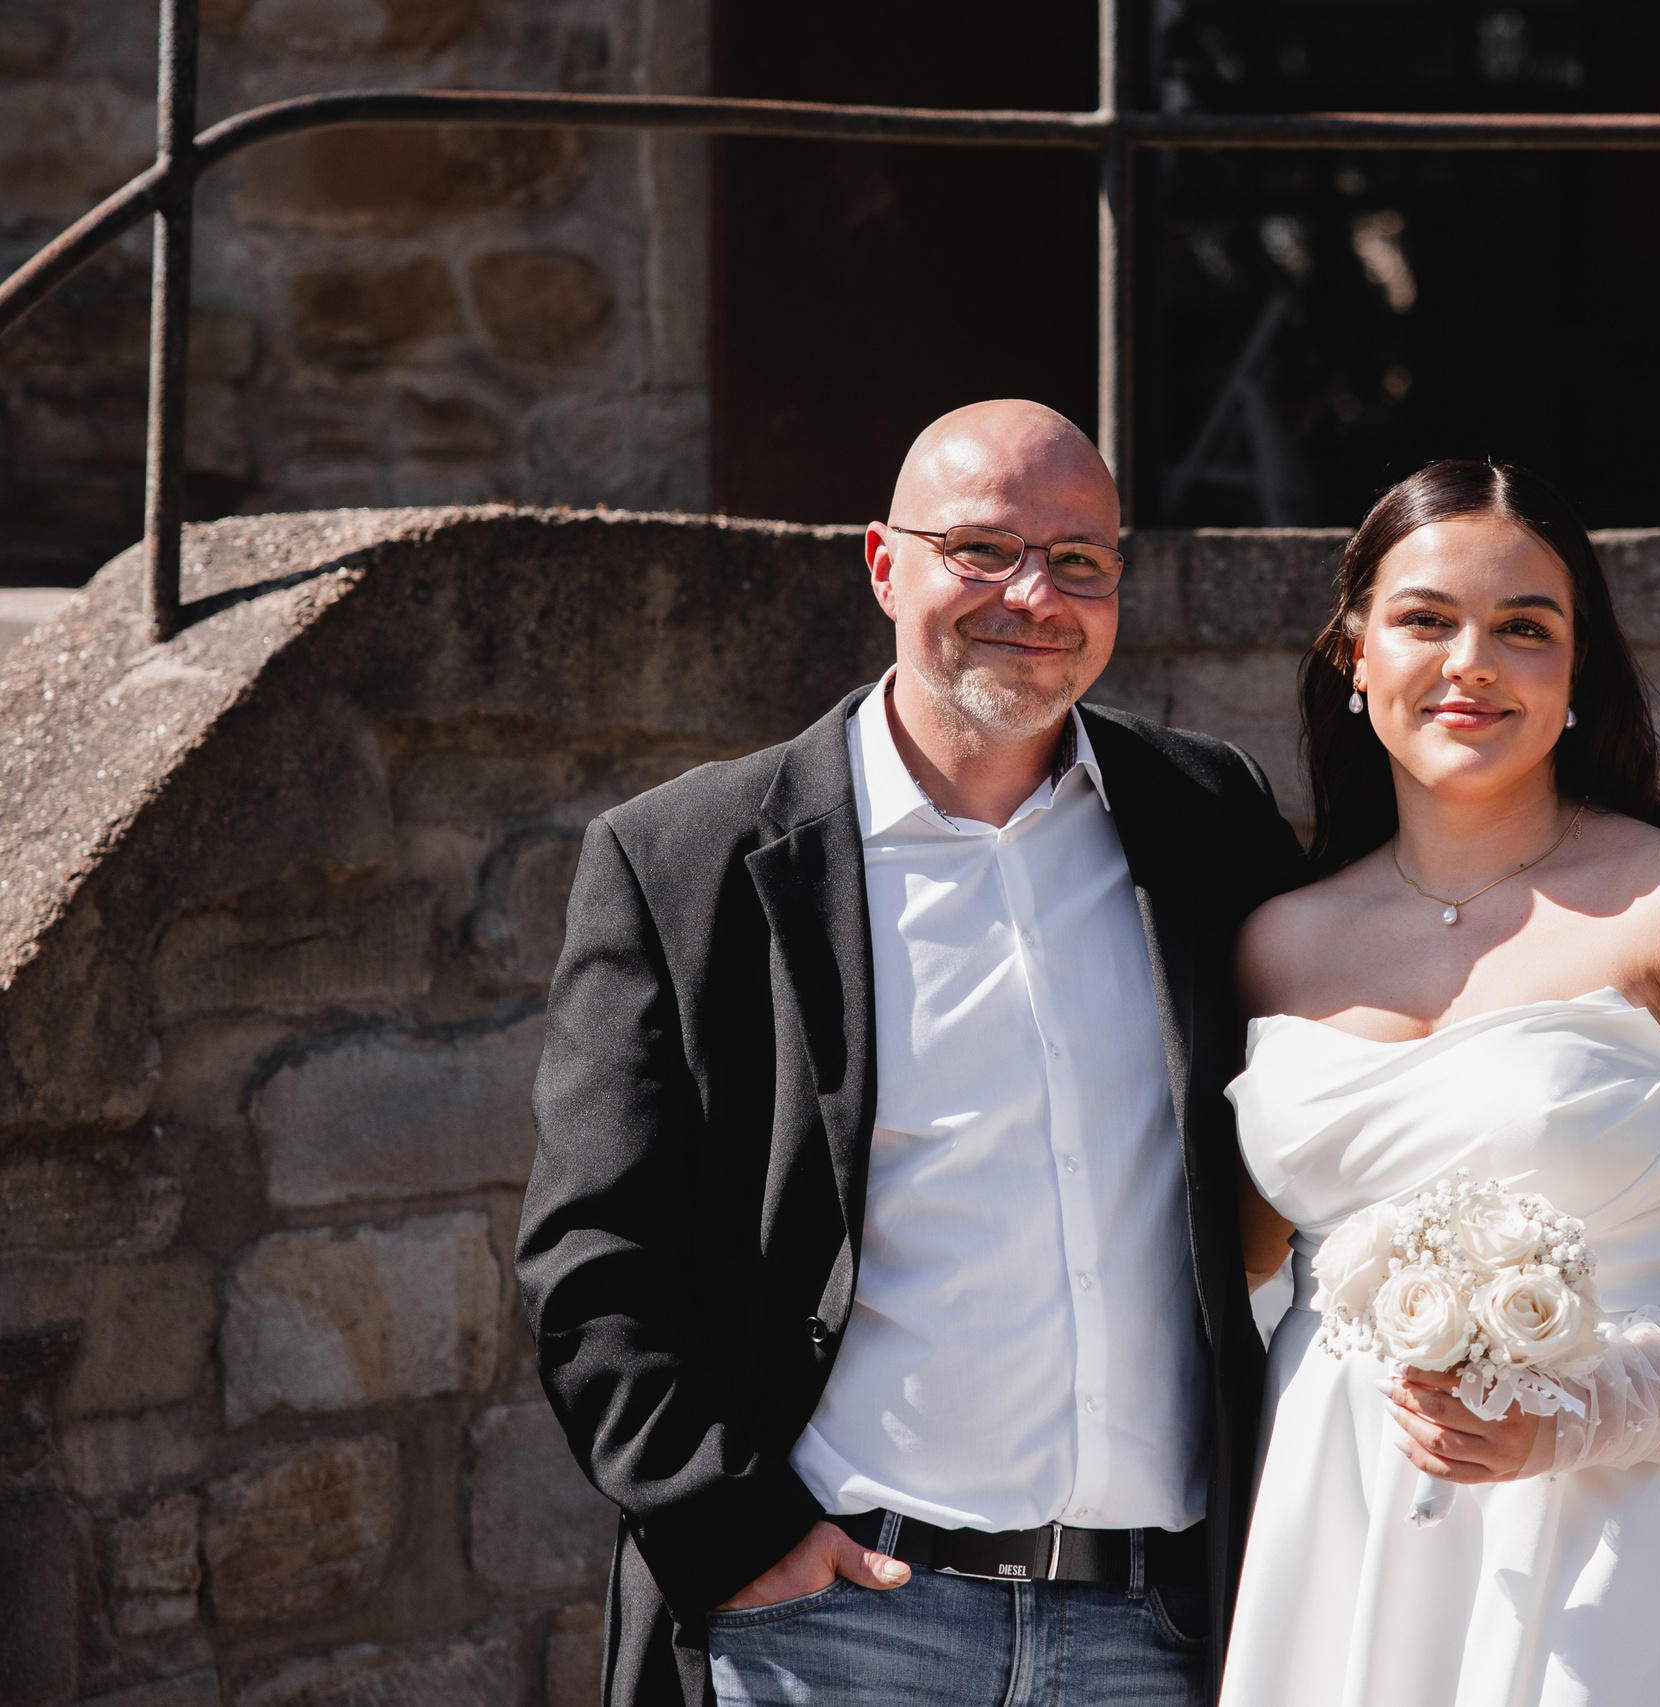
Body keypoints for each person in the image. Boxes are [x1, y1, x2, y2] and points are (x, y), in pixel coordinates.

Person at [518, 400, 1303, 1707]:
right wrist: (736, 1532)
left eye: (1080, 560)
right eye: (983, 547)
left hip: (1157, 1634)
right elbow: (593, 1258)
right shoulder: (687, 861)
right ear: (884, 562)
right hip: (836, 1627)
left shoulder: (1208, 821)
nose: (1033, 594)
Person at [1221, 460, 1660, 1706]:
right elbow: (1240, 1263)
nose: (1471, 661)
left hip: (1640, 1519)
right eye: (1426, 619)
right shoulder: (1273, 945)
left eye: (1523, 630)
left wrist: (1591, 1410)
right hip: (1347, 1508)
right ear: (1353, 652)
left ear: (1574, 675)